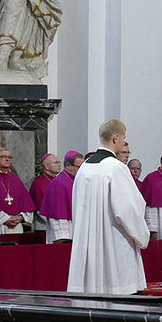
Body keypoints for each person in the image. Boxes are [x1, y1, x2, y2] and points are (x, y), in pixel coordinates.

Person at [67, 119, 149, 295]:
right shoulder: (116, 168)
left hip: (87, 245)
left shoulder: (83, 168)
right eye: (123, 138)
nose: (123, 142)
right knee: (118, 295)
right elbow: (127, 211)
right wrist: (143, 236)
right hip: (114, 244)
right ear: (115, 138)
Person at [0, 148, 36, 233]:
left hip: (16, 226)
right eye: (3, 156)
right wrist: (5, 219)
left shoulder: (14, 178)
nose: (7, 159)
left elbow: (26, 203)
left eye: (9, 157)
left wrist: (21, 217)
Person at [40, 150, 83, 243]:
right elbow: (58, 214)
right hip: (65, 233)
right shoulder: (59, 184)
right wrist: (62, 237)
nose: (81, 170)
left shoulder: (77, 181)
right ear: (68, 165)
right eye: (79, 167)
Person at [29, 153, 61, 231]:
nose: (59, 165)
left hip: (61, 223)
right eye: (56, 163)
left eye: (59, 162)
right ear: (46, 166)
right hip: (44, 224)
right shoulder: (38, 183)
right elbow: (37, 207)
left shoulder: (59, 181)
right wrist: (55, 221)